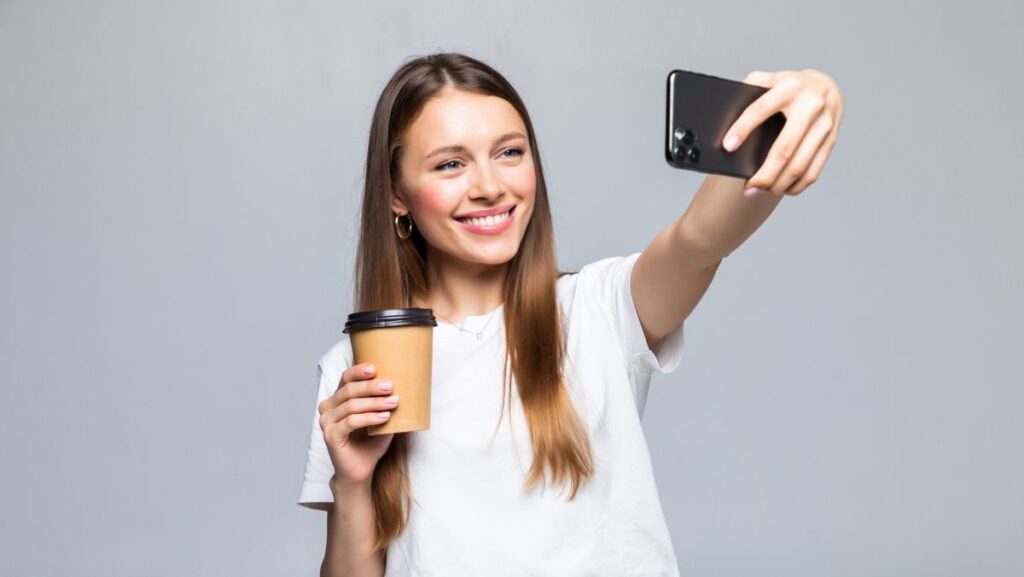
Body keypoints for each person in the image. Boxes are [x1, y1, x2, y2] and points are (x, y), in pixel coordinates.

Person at [298, 52, 844, 577]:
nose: (490, 187)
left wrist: (800, 107)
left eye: (510, 152)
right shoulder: (357, 365)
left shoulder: (600, 309)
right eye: (450, 164)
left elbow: (700, 240)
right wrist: (352, 482)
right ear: (397, 194)